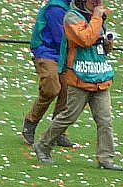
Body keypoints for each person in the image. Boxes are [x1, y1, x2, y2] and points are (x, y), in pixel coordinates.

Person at [33, 0, 122, 169]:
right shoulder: (72, 17)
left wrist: (107, 43)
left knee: (105, 120)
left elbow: (99, 48)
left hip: (100, 77)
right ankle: (43, 146)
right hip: (79, 78)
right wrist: (97, 18)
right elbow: (85, 39)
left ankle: (106, 158)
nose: (98, 2)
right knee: (69, 116)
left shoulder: (99, 19)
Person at [20, 0, 78, 150]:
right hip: (47, 52)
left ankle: (58, 132)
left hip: (63, 54)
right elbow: (61, 38)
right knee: (51, 88)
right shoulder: (56, 8)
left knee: (67, 90)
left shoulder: (72, 7)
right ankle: (31, 122)